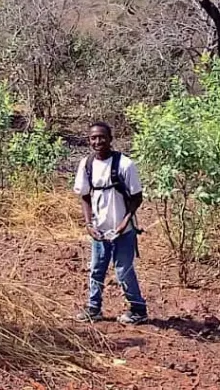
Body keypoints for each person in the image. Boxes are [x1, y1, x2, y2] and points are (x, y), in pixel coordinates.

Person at [73, 122, 148, 325]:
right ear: (89, 140)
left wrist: (125, 222)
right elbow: (84, 196)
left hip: (123, 229)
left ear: (110, 138)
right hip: (99, 229)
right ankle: (93, 308)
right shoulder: (86, 164)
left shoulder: (125, 165)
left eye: (102, 137)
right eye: (93, 138)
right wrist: (89, 224)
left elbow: (137, 197)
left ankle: (138, 309)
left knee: (123, 270)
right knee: (97, 267)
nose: (98, 141)